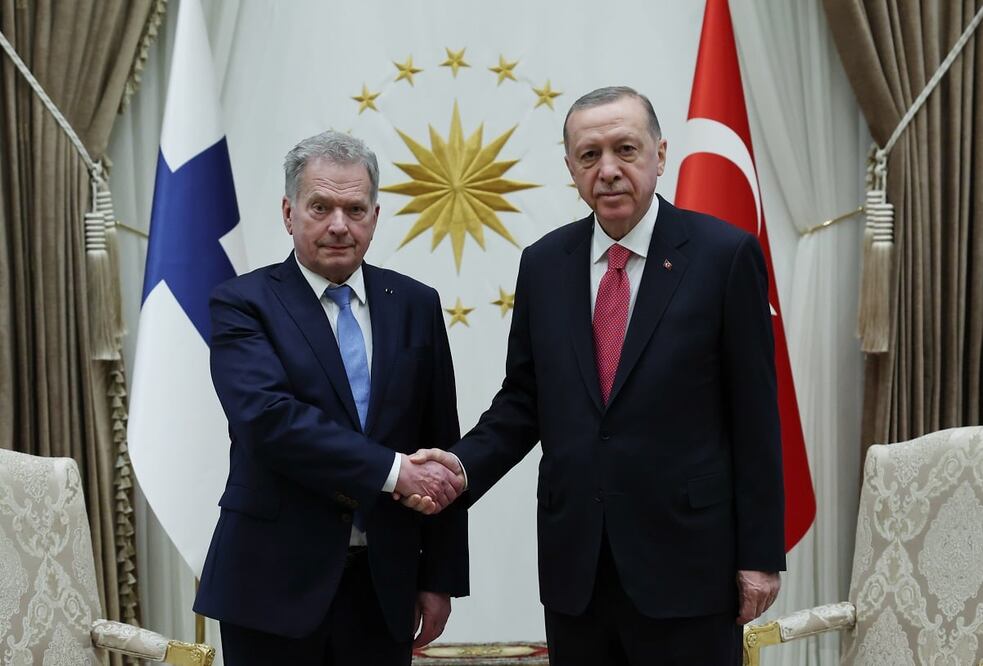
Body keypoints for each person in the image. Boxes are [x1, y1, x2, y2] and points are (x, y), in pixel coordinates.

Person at [403, 86, 785, 665]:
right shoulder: (543, 264)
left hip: (688, 566)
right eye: (589, 155)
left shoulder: (723, 255)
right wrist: (459, 466)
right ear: (570, 168)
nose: (607, 170)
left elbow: (755, 414)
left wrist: (759, 554)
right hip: (577, 569)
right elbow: (524, 401)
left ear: (660, 153)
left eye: (625, 150)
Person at [193, 130, 469, 666]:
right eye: (320, 206)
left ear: (374, 215)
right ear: (289, 212)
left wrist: (439, 578)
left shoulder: (416, 303)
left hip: (383, 587)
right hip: (271, 587)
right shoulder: (244, 303)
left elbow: (441, 442)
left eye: (354, 208)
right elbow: (268, 421)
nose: (339, 225)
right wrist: (394, 471)